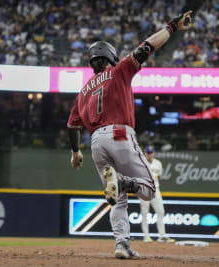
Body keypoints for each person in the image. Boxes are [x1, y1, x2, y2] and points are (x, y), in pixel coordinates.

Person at [67, 11, 192, 259]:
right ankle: (124, 183)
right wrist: (172, 27)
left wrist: (75, 152)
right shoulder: (120, 69)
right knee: (148, 190)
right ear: (110, 57)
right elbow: (148, 46)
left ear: (92, 61)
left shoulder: (83, 92)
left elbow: (72, 126)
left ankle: (121, 244)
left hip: (95, 143)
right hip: (120, 134)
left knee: (118, 201)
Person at [140, 145, 175, 243]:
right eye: (148, 153)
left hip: (155, 189)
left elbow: (158, 175)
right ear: (145, 153)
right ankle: (146, 236)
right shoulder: (141, 163)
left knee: (160, 211)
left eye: (151, 153)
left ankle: (162, 236)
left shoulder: (158, 163)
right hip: (144, 190)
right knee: (144, 213)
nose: (150, 155)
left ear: (154, 153)